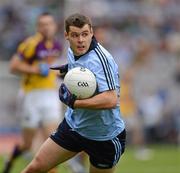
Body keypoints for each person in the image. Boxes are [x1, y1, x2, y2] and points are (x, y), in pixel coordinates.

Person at [21, 13, 126, 173]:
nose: (81, 40)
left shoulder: (102, 60)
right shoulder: (72, 51)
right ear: (66, 36)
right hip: (73, 127)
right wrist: (69, 70)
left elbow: (111, 100)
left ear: (92, 32)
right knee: (35, 167)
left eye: (85, 34)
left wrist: (74, 103)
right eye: (75, 35)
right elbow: (82, 68)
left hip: (104, 136)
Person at [2, 12, 62, 173]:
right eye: (43, 24)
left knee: (53, 140)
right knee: (27, 144)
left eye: (49, 23)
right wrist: (34, 69)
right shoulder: (30, 44)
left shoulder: (57, 45)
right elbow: (13, 66)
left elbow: (52, 68)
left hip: (50, 95)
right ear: (37, 27)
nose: (46, 27)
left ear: (55, 26)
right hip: (32, 96)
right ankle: (11, 159)